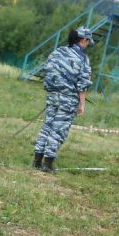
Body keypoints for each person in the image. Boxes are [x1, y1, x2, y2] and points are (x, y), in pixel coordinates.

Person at [33, 26, 95, 172]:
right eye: (88, 42)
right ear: (83, 40)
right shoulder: (83, 59)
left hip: (52, 95)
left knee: (47, 126)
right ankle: (47, 164)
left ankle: (36, 160)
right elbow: (83, 84)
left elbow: (47, 69)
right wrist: (82, 104)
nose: (88, 45)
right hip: (68, 100)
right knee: (58, 130)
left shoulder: (57, 52)